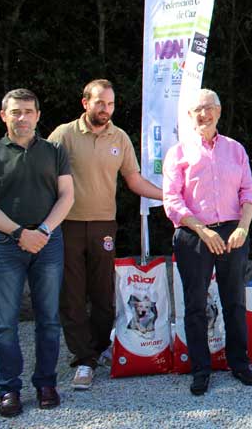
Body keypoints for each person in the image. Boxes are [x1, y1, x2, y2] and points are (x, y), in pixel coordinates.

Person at [47, 79, 163, 390]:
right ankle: (83, 359)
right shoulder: (63, 135)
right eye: (100, 103)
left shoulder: (120, 137)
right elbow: (46, 178)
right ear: (85, 103)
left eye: (110, 104)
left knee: (103, 293)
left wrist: (169, 196)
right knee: (71, 294)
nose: (106, 109)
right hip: (67, 223)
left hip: (103, 225)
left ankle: (97, 349)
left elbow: (134, 181)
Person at [163, 89, 252, 395]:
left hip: (233, 231)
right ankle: (200, 370)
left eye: (209, 108)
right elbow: (172, 201)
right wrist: (203, 231)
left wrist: (243, 227)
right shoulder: (178, 152)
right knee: (194, 305)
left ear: (218, 112)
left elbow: (249, 191)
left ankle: (239, 363)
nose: (203, 114)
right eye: (197, 110)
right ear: (189, 117)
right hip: (194, 234)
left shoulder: (235, 150)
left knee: (234, 301)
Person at [0, 88, 74, 417]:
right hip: (5, 244)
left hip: (48, 243)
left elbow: (67, 195)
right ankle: (9, 389)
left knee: (48, 320)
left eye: (29, 111)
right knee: (5, 324)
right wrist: (18, 232)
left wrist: (42, 232)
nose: (23, 117)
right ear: (4, 115)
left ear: (38, 116)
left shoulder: (54, 151)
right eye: (16, 112)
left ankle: (46, 383)